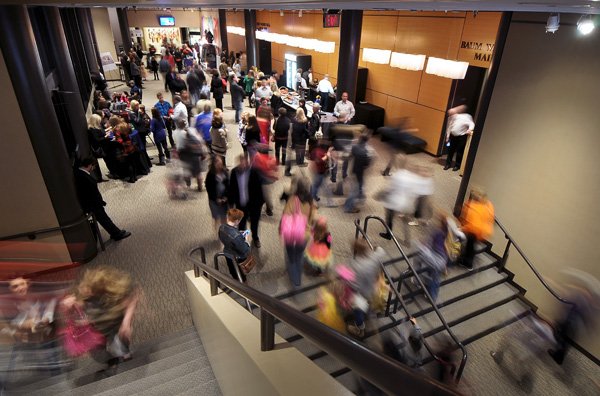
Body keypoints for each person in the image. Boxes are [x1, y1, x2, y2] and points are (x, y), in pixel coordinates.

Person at [60, 267, 139, 369]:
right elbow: (73, 304)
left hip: (113, 325)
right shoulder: (83, 293)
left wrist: (126, 322)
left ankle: (126, 356)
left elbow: (132, 296)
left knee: (120, 347)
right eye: (84, 287)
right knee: (99, 356)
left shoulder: (112, 294)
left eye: (90, 289)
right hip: (94, 329)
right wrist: (70, 304)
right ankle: (112, 360)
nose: (84, 290)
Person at [73, 158, 131, 241]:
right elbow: (89, 193)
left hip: (93, 203)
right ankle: (117, 234)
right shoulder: (82, 176)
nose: (93, 169)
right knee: (104, 219)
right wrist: (99, 202)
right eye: (93, 167)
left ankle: (115, 232)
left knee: (104, 219)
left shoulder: (80, 173)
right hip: (93, 204)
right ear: (89, 165)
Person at [345, 239, 386, 337]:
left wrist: (344, 274)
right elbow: (381, 251)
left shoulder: (355, 264)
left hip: (361, 292)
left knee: (358, 309)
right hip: (372, 288)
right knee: (370, 304)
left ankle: (359, 329)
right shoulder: (373, 257)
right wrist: (376, 247)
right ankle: (372, 315)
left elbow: (353, 283)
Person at [280, 181, 315, 287]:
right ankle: (298, 279)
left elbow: (285, 217)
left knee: (291, 257)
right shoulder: (310, 201)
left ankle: (294, 279)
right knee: (299, 256)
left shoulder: (293, 200)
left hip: (291, 236)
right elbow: (313, 219)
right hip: (304, 236)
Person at [228, 155, 265, 248]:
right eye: (241, 162)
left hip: (253, 204)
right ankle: (242, 240)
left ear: (248, 163)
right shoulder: (234, 172)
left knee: (254, 223)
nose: (243, 165)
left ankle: (255, 237)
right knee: (241, 224)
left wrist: (260, 203)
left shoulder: (254, 172)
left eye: (245, 162)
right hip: (241, 204)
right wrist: (231, 203)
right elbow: (231, 188)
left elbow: (259, 188)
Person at [459, 188, 494, 270]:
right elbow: (490, 218)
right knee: (471, 246)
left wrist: (463, 228)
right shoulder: (488, 205)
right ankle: (467, 260)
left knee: (470, 247)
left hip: (474, 231)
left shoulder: (474, 207)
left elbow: (472, 224)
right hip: (483, 231)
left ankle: (467, 263)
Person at [344, 132, 374, 213]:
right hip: (359, 173)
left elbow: (348, 156)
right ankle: (348, 208)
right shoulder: (366, 151)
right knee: (354, 191)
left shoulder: (354, 147)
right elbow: (367, 163)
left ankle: (350, 203)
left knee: (354, 189)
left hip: (353, 171)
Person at [218, 208, 251, 282]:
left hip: (227, 254)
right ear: (236, 221)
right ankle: (243, 288)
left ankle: (236, 280)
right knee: (241, 275)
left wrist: (238, 233)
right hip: (237, 257)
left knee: (233, 272)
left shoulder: (221, 227)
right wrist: (247, 240)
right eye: (240, 220)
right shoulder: (236, 236)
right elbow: (244, 249)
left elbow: (224, 238)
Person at [444, 105, 474, 171]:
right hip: (452, 136)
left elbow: (471, 124)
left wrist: (469, 129)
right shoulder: (451, 117)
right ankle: (448, 164)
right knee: (450, 150)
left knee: (459, 151)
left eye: (451, 113)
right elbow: (448, 127)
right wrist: (448, 136)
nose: (450, 115)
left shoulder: (467, 116)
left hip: (462, 136)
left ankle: (457, 165)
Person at [205, 156, 229, 234]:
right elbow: (209, 189)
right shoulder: (210, 175)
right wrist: (216, 199)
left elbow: (228, 185)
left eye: (220, 162)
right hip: (214, 201)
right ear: (214, 164)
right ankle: (218, 232)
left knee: (224, 217)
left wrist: (226, 197)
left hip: (224, 199)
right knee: (216, 218)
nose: (219, 164)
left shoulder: (225, 172)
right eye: (217, 162)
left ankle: (224, 233)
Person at [285, 108, 309, 176]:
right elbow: (307, 129)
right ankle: (301, 160)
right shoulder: (305, 120)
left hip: (296, 137)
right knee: (303, 149)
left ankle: (298, 161)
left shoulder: (294, 120)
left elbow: (292, 129)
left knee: (297, 150)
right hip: (303, 137)